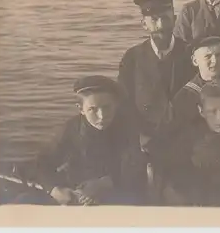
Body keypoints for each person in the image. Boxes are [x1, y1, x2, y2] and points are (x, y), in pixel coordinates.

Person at [14, 76, 145, 206]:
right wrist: (54, 190)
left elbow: (136, 167)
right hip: (78, 195)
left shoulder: (128, 128)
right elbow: (42, 163)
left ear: (116, 105)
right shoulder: (71, 129)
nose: (102, 116)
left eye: (107, 107)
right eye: (93, 109)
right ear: (81, 109)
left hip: (119, 193)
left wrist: (105, 183)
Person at [117, 0, 194, 154]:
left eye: (165, 18)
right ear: (144, 24)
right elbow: (124, 101)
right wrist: (140, 134)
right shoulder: (132, 58)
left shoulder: (190, 54)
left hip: (186, 138)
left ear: (174, 20)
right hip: (146, 139)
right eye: (154, 20)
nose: (160, 25)